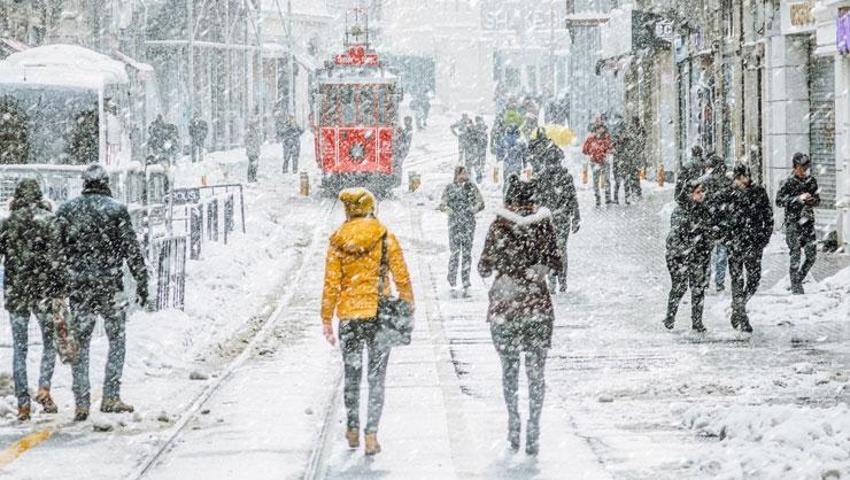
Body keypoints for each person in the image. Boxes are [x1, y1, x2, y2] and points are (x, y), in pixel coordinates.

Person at [320, 188, 414, 456]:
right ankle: (371, 434)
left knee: (352, 375)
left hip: (350, 317)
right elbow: (401, 275)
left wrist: (327, 317)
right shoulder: (384, 236)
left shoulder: (338, 240)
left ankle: (352, 428)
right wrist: (408, 304)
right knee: (376, 377)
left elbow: (331, 284)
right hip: (378, 314)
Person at [54, 165, 149, 421]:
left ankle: (81, 401)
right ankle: (110, 394)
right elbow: (131, 250)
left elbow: (56, 251)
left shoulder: (67, 210)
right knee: (116, 338)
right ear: (106, 182)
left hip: (79, 288)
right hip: (110, 285)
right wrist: (142, 281)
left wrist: (57, 285)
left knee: (81, 343)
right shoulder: (116, 210)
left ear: (84, 183)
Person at [479, 176, 561, 456]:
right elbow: (557, 262)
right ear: (533, 201)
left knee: (509, 371)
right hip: (537, 309)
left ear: (508, 201)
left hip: (506, 310)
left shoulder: (498, 226)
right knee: (536, 373)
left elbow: (483, 267)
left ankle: (513, 422)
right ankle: (534, 426)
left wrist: (501, 267)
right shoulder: (544, 226)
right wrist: (538, 270)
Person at [0, 180, 59, 421]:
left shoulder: (7, 224)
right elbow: (58, 258)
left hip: (17, 293)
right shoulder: (49, 221)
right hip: (44, 291)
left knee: (19, 348)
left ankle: (23, 403)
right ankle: (44, 387)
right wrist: (60, 289)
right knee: (50, 342)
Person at [724, 164, 773, 332]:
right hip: (735, 244)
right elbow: (720, 217)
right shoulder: (729, 194)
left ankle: (739, 305)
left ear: (747, 177)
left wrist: (764, 238)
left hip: (754, 242)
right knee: (737, 280)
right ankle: (741, 316)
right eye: (736, 178)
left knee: (754, 279)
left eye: (741, 178)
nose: (738, 181)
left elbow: (768, 216)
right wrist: (727, 237)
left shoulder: (758, 192)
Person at [664, 180, 712, 333]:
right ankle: (670, 318)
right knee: (679, 287)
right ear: (690, 194)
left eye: (702, 192)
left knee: (698, 289)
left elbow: (709, 231)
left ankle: (697, 322)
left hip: (698, 256)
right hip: (680, 257)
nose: (701, 195)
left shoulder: (703, 210)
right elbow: (679, 233)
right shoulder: (680, 211)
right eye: (698, 192)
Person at [776, 153, 821, 294]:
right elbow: (779, 201)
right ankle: (796, 287)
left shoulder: (811, 181)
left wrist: (811, 199)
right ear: (795, 167)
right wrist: (797, 199)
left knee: (811, 255)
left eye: (806, 168)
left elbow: (818, 200)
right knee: (795, 254)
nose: (804, 171)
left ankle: (798, 278)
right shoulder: (787, 182)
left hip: (808, 223)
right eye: (801, 168)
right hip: (793, 223)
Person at [537, 147, 580, 293]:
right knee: (560, 249)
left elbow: (536, 200)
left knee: (551, 249)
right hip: (558, 218)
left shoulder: (543, 177)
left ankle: (554, 280)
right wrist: (576, 217)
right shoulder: (563, 176)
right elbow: (573, 198)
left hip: (550, 218)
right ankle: (560, 279)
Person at [439, 166, 485, 296]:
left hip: (468, 224)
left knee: (466, 253)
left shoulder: (472, 188)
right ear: (456, 175)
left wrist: (472, 210)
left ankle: (465, 280)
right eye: (462, 173)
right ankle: (452, 278)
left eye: (466, 173)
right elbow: (443, 204)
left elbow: (481, 203)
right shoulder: (450, 188)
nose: (465, 175)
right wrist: (451, 212)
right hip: (454, 224)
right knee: (455, 252)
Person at [702, 154, 732, 292]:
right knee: (721, 255)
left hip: (711, 221)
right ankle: (718, 282)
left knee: (708, 255)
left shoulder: (706, 181)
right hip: (721, 222)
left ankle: (706, 281)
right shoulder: (726, 181)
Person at [581, 124, 614, 207]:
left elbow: (610, 148)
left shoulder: (606, 138)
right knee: (596, 182)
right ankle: (598, 199)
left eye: (602, 129)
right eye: (599, 129)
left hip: (604, 162)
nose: (601, 131)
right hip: (595, 163)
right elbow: (584, 150)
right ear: (596, 130)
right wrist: (591, 155)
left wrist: (608, 153)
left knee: (606, 180)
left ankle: (607, 199)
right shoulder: (590, 139)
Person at [611, 116, 635, 205]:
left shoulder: (628, 143)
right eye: (621, 134)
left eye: (624, 134)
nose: (622, 136)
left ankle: (627, 199)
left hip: (626, 165)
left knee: (626, 183)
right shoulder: (616, 143)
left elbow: (631, 154)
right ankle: (616, 198)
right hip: (618, 166)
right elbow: (613, 153)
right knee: (617, 183)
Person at [500, 125, 526, 194]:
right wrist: (525, 164)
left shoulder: (504, 139)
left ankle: (505, 196)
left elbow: (500, 151)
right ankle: (514, 195)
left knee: (506, 181)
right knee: (515, 182)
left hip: (507, 164)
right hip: (517, 164)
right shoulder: (521, 140)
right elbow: (524, 154)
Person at [393, 116, 414, 187]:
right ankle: (397, 180)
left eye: (407, 121)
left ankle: (398, 181)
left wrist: (399, 148)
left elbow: (406, 141)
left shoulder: (409, 130)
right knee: (397, 165)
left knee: (398, 165)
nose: (405, 122)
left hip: (402, 151)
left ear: (410, 121)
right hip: (401, 151)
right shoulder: (406, 129)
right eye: (405, 121)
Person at [470, 116, 489, 183]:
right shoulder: (482, 127)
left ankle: (479, 172)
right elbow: (485, 137)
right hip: (480, 146)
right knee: (481, 160)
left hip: (478, 147)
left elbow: (472, 137)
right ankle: (480, 172)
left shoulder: (476, 128)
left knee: (477, 161)